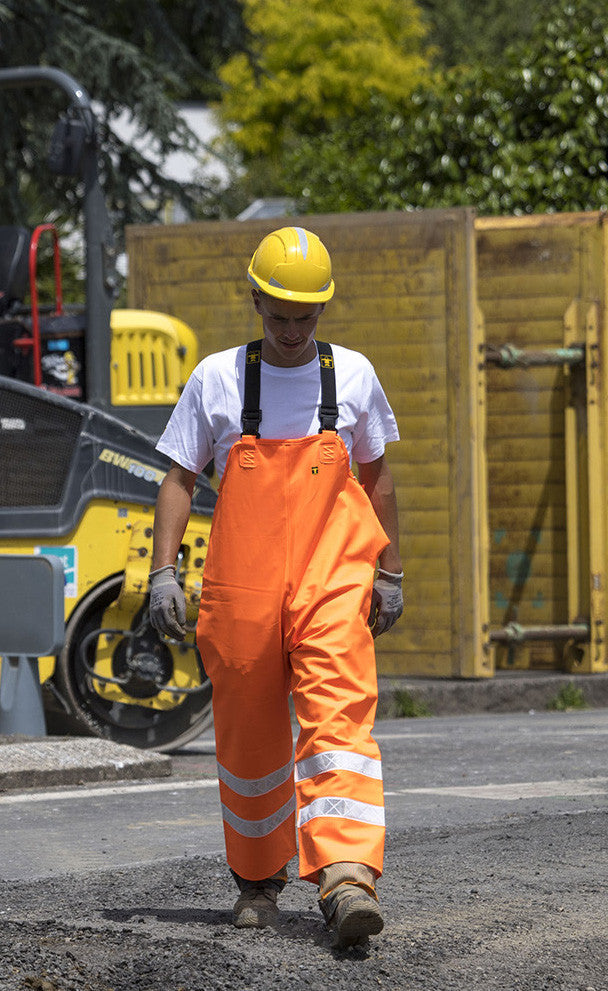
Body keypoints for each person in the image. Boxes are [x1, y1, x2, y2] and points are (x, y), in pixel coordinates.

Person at [149, 226, 404, 949]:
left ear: (323, 308)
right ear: (255, 298)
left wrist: (389, 573)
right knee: (251, 737)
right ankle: (257, 881)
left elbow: (377, 479)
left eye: (306, 316)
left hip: (332, 579)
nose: (291, 331)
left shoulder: (351, 375)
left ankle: (347, 874)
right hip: (243, 591)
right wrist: (163, 571)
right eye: (278, 314)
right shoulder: (217, 379)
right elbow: (178, 478)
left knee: (339, 723)